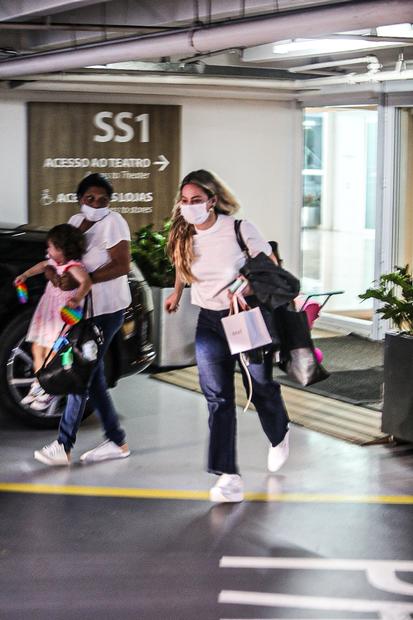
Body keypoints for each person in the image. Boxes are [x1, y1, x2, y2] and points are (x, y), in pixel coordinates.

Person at [165, 169, 290, 503]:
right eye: (185, 201)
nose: (189, 206)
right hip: (209, 321)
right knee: (217, 397)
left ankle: (279, 432)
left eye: (196, 200)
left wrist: (244, 285)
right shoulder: (184, 234)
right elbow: (182, 265)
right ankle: (228, 476)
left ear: (212, 201)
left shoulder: (238, 229)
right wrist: (177, 293)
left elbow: (269, 264)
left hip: (244, 315)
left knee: (259, 385)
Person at [34, 173, 131, 466]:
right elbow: (58, 261)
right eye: (90, 198)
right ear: (80, 200)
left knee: (80, 372)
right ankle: (117, 441)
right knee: (93, 375)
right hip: (83, 311)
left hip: (108, 310)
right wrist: (54, 275)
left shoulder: (114, 223)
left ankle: (64, 445)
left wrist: (85, 279)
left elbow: (122, 264)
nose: (97, 204)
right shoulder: (75, 223)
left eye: (103, 200)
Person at [15, 223, 91, 411]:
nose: (47, 249)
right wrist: (25, 275)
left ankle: (49, 388)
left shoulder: (73, 267)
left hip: (62, 316)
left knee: (52, 353)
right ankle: (40, 383)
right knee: (36, 348)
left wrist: (77, 298)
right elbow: (42, 266)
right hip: (47, 312)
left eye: (50, 246)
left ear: (62, 249)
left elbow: (86, 282)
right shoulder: (53, 262)